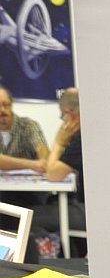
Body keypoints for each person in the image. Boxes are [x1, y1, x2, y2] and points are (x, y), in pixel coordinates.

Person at [26, 86, 86, 261]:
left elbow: (53, 174)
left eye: (62, 116)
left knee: (28, 216)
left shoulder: (83, 137)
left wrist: (59, 142)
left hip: (87, 211)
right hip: (90, 206)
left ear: (70, 114)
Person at [0, 85, 47, 173]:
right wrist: (32, 164)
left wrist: (44, 161)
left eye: (5, 104)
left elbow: (41, 148)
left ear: (11, 105)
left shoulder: (28, 126)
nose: (2, 110)